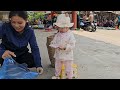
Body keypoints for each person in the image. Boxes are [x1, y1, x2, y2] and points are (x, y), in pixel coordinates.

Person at [49, 14, 76, 79]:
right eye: (59, 28)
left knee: (68, 66)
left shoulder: (70, 34)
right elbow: (54, 41)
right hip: (58, 54)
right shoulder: (58, 34)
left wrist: (65, 47)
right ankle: (57, 75)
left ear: (67, 27)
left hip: (67, 54)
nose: (61, 29)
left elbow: (73, 44)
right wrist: (53, 44)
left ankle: (70, 76)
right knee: (57, 65)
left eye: (62, 28)